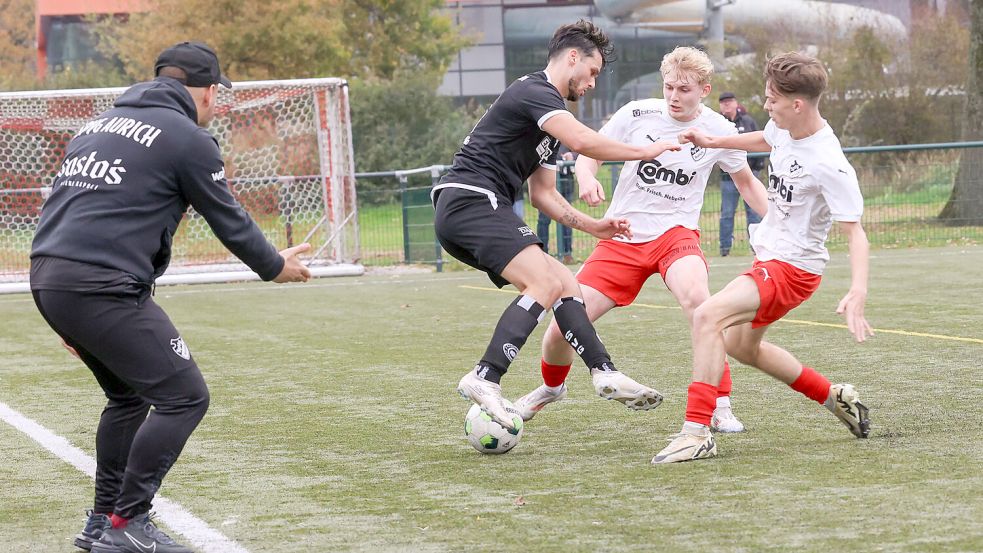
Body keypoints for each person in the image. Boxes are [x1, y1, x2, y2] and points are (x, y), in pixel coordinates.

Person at [30, 42, 311, 552]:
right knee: (185, 397)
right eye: (216, 95)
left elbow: (75, 213)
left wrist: (68, 312)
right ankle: (127, 525)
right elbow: (229, 219)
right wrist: (276, 266)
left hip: (51, 277)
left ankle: (101, 522)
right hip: (99, 286)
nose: (217, 105)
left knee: (128, 396)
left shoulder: (96, 127)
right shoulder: (187, 138)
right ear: (205, 91)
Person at [433, 20, 680, 429]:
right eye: (593, 72)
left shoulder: (550, 118)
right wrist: (645, 150)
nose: (592, 83)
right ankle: (485, 376)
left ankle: (603, 371)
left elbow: (543, 194)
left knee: (565, 282)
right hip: (470, 200)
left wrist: (595, 227)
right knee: (545, 285)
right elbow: (584, 141)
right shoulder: (536, 92)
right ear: (572, 58)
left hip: (478, 205)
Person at [513, 47, 767, 434]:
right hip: (622, 238)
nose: (674, 96)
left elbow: (746, 182)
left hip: (676, 235)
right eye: (669, 87)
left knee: (702, 304)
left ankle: (720, 404)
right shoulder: (636, 113)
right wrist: (586, 178)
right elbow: (587, 152)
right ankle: (551, 388)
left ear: (704, 89)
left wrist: (778, 223)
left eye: (684, 89)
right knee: (562, 325)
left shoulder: (720, 129)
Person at [651, 51, 873, 464]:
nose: (766, 106)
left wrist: (858, 289)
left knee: (706, 315)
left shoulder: (829, 163)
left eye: (772, 99)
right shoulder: (785, 127)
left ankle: (696, 431)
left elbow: (855, 233)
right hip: (769, 260)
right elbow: (764, 138)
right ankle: (833, 396)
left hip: (792, 271)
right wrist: (713, 140)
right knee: (741, 346)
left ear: (797, 104)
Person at [717, 91, 765, 256]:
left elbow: (760, 144)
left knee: (754, 212)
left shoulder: (748, 121)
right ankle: (724, 248)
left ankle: (756, 246)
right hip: (727, 178)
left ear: (736, 103)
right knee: (727, 213)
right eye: (723, 102)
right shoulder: (718, 123)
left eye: (729, 101)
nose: (727, 105)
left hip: (749, 175)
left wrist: (757, 167)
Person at [536, 149, 575, 263]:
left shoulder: (568, 134)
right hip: (546, 182)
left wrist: (572, 155)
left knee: (568, 218)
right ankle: (543, 253)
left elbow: (581, 148)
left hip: (566, 182)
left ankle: (567, 253)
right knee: (544, 220)